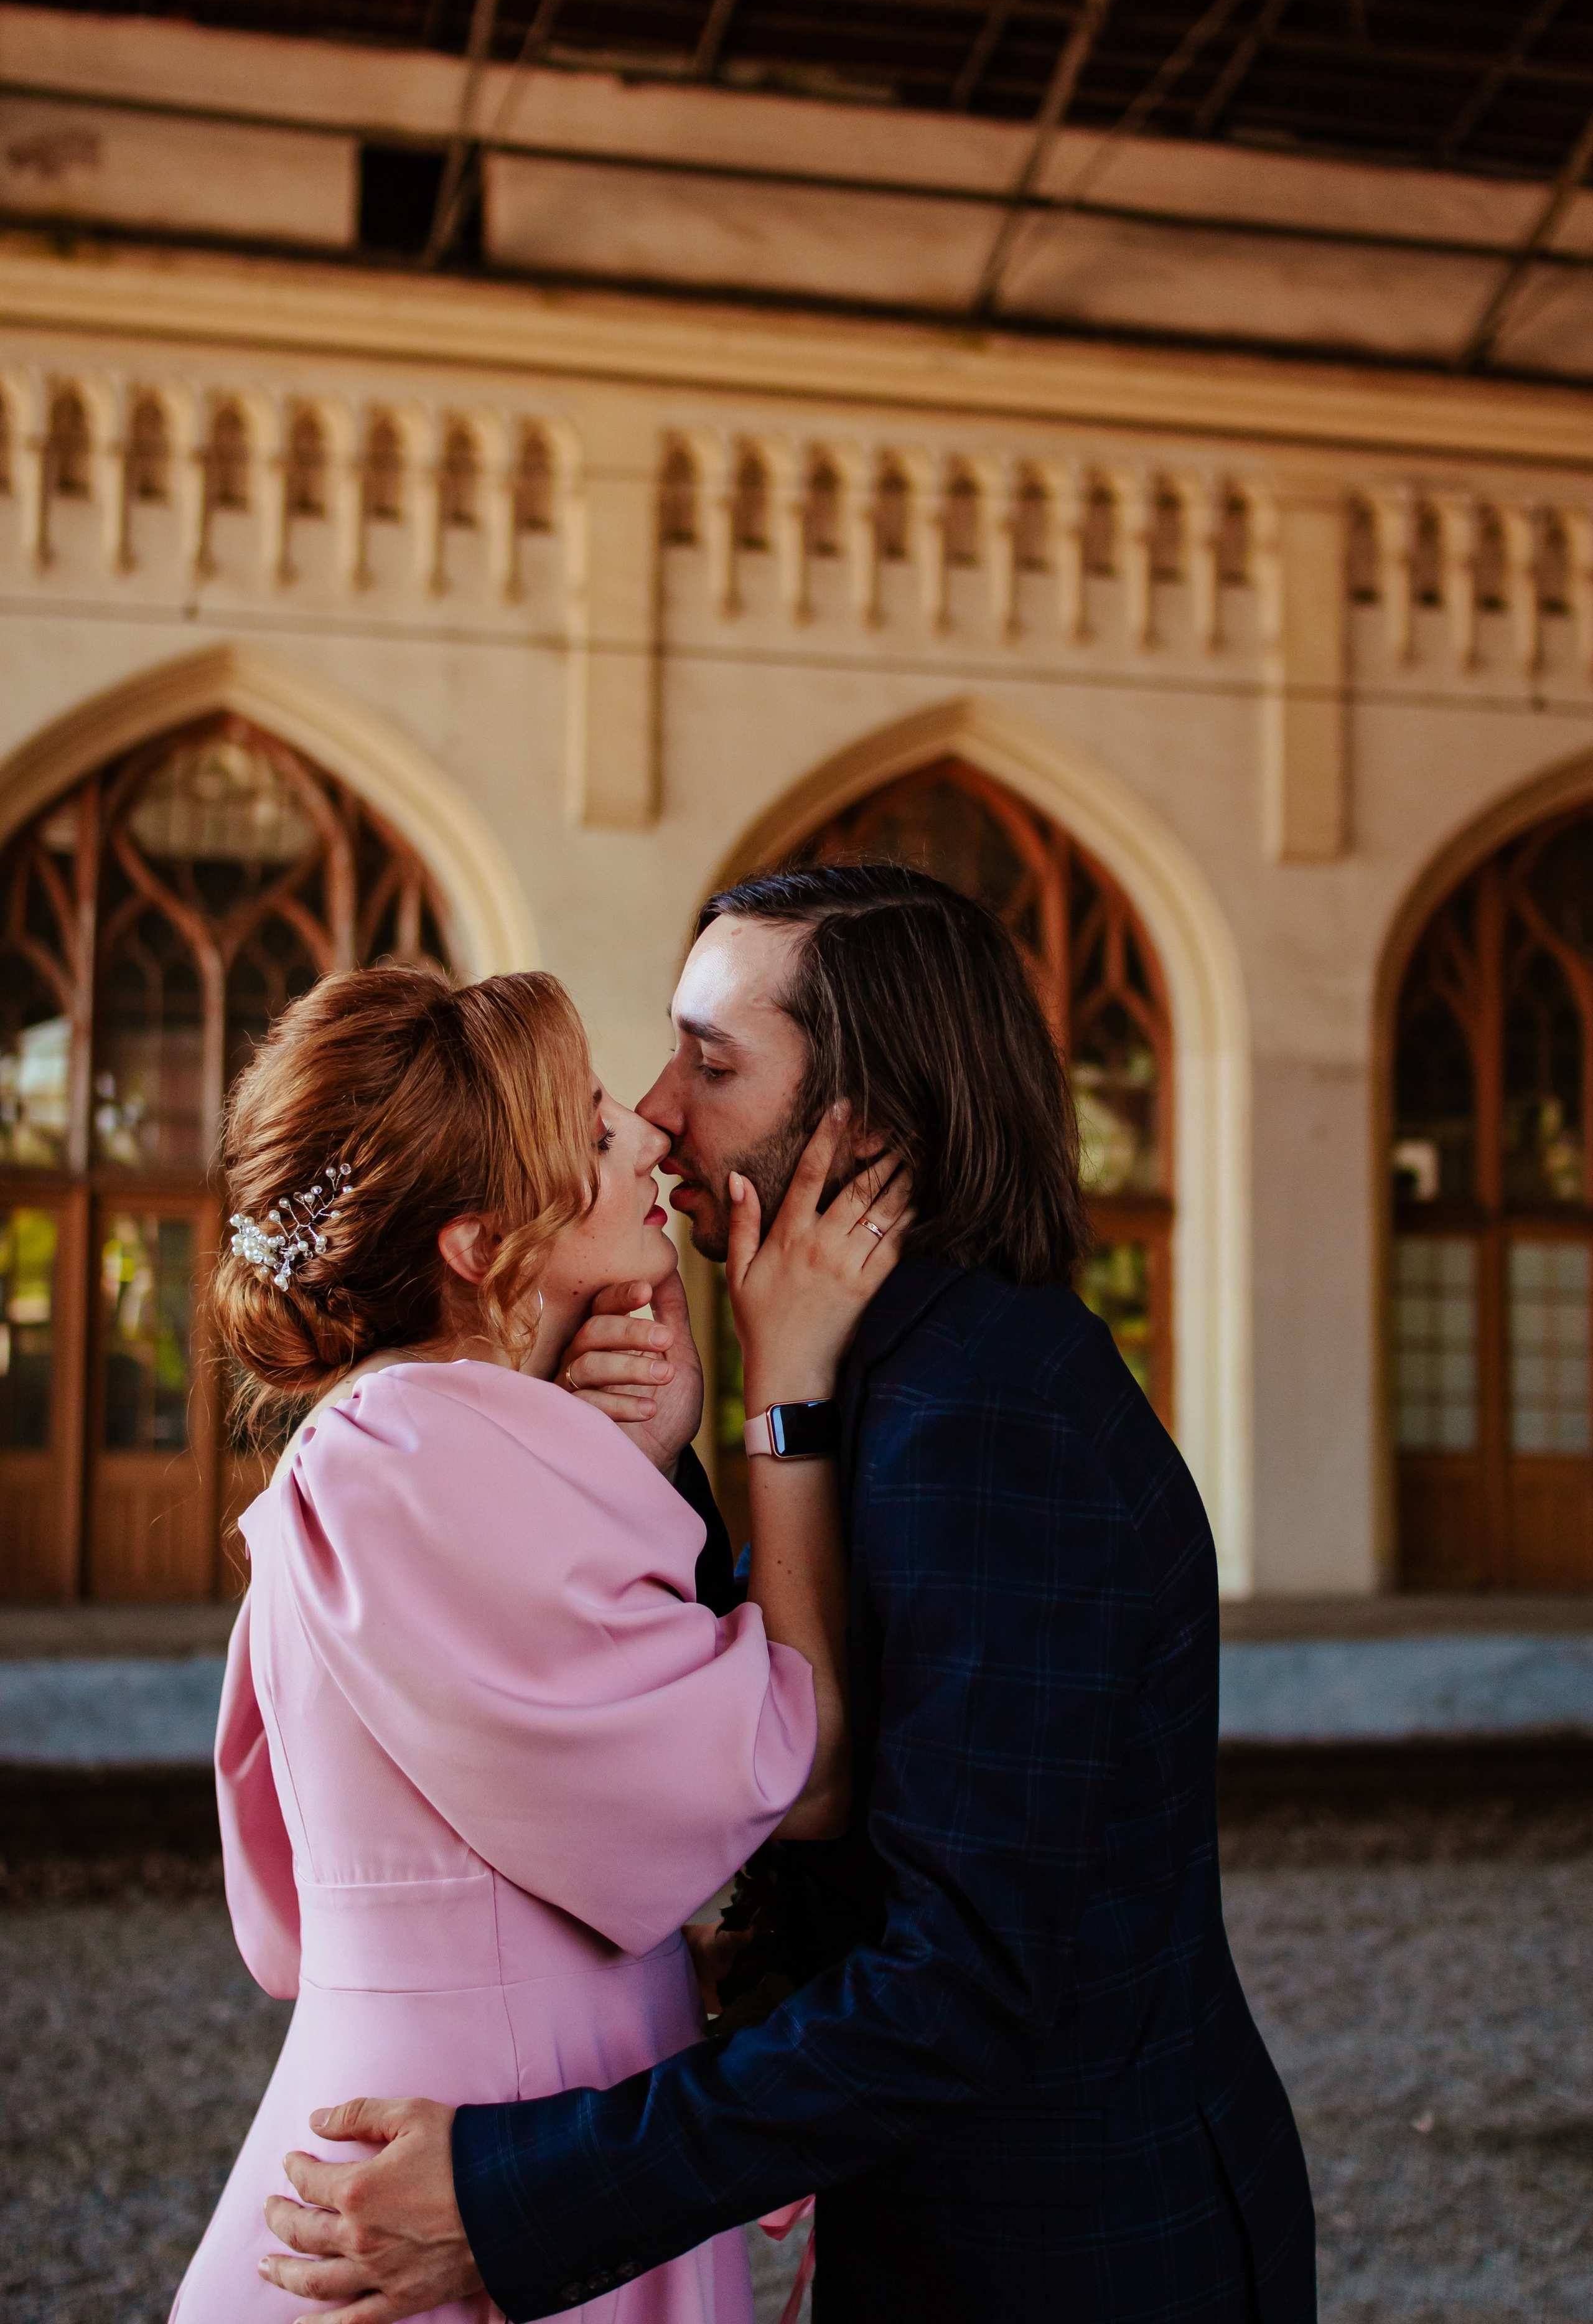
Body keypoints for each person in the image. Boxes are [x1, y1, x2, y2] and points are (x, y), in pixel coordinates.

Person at [257, 866, 1317, 2324]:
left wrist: (516, 2199)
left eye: (711, 1062)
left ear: (859, 1124)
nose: (655, 1111)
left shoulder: (990, 1412)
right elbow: (809, 1738)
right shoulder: (884, 1370)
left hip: (1066, 2259)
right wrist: (670, 1464)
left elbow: (962, 1981)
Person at [171, 962, 908, 2324]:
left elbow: (314, 1905)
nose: (642, 1133)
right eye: (585, 1129)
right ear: (477, 1243)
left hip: (484, 2095)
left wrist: (645, 1455)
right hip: (473, 2149)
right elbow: (790, 1763)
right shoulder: (413, 1451)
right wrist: (787, 1391)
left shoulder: (406, 1440)